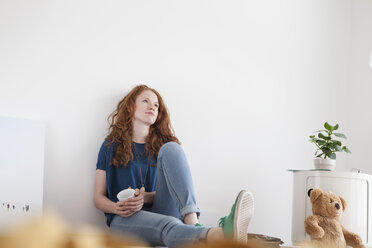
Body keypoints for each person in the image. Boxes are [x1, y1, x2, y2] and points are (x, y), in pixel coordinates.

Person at [93, 85, 254, 248]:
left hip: (162, 212)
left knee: (172, 148)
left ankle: (193, 224)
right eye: (145, 101)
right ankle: (219, 235)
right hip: (125, 220)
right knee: (169, 223)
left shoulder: (161, 148)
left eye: (156, 105)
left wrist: (145, 197)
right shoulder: (110, 146)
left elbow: (169, 193)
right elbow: (98, 197)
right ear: (130, 107)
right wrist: (116, 208)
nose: (152, 107)